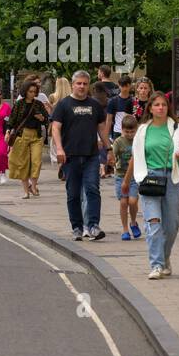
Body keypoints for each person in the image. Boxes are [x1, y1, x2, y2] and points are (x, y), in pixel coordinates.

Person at [121, 93, 179, 279]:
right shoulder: (142, 130)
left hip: (171, 178)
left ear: (168, 108)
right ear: (150, 108)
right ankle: (156, 265)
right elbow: (136, 157)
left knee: (172, 225)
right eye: (157, 105)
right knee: (153, 222)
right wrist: (127, 181)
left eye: (164, 105)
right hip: (149, 177)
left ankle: (165, 257)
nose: (160, 108)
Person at [51, 68, 110, 241]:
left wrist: (109, 149)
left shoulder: (94, 105)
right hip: (70, 156)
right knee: (73, 193)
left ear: (88, 85)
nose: (82, 87)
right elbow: (56, 127)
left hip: (91, 155)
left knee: (92, 189)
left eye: (85, 84)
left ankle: (93, 226)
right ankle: (76, 227)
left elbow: (101, 129)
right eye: (79, 83)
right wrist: (59, 149)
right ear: (73, 84)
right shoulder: (64, 105)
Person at [5, 80, 49, 197]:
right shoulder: (19, 104)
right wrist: (8, 131)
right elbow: (12, 119)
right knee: (22, 163)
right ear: (25, 91)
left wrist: (41, 118)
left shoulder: (38, 104)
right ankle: (26, 191)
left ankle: (33, 186)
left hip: (36, 135)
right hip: (22, 135)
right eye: (30, 91)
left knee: (36, 161)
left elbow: (46, 119)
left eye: (34, 92)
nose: (32, 94)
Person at [112, 116, 141, 241]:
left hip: (135, 176)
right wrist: (112, 161)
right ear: (122, 130)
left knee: (133, 201)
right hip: (120, 176)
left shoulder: (139, 141)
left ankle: (133, 222)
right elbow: (113, 156)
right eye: (127, 132)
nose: (129, 134)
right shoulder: (119, 142)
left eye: (132, 132)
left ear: (136, 130)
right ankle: (125, 230)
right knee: (124, 203)